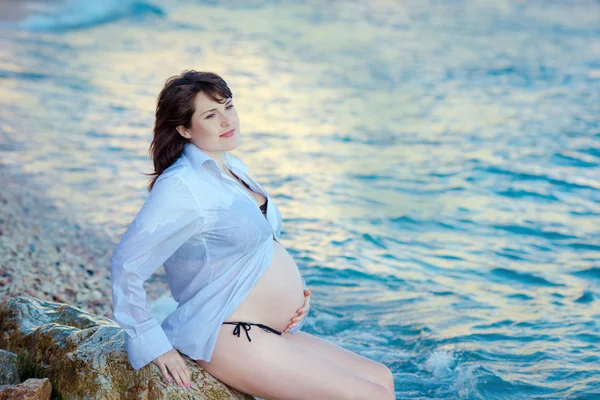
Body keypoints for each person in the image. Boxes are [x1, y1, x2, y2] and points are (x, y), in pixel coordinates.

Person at [110, 70, 395, 400]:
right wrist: (153, 344)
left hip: (261, 327)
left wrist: (291, 298)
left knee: (381, 378)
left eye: (228, 106)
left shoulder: (232, 167)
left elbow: (249, 248)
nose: (226, 120)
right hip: (226, 332)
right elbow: (126, 265)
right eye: (210, 115)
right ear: (185, 129)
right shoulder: (181, 187)